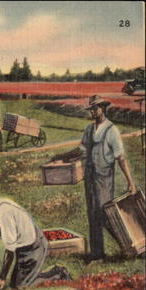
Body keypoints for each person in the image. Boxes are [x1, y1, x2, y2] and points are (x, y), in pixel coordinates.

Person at [50, 95, 137, 263]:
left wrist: (130, 182)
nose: (92, 111)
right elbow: (81, 150)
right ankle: (98, 254)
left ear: (103, 109)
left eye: (95, 108)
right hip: (90, 177)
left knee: (105, 214)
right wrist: (61, 155)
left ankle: (131, 245)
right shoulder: (89, 129)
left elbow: (121, 158)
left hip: (104, 177)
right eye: (91, 109)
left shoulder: (112, 130)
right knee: (92, 214)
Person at [0, 185, 72, 290]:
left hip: (34, 246)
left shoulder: (4, 213)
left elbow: (10, 250)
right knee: (14, 284)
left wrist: (2, 277)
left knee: (20, 287)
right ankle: (40, 275)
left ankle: (58, 273)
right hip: (23, 248)